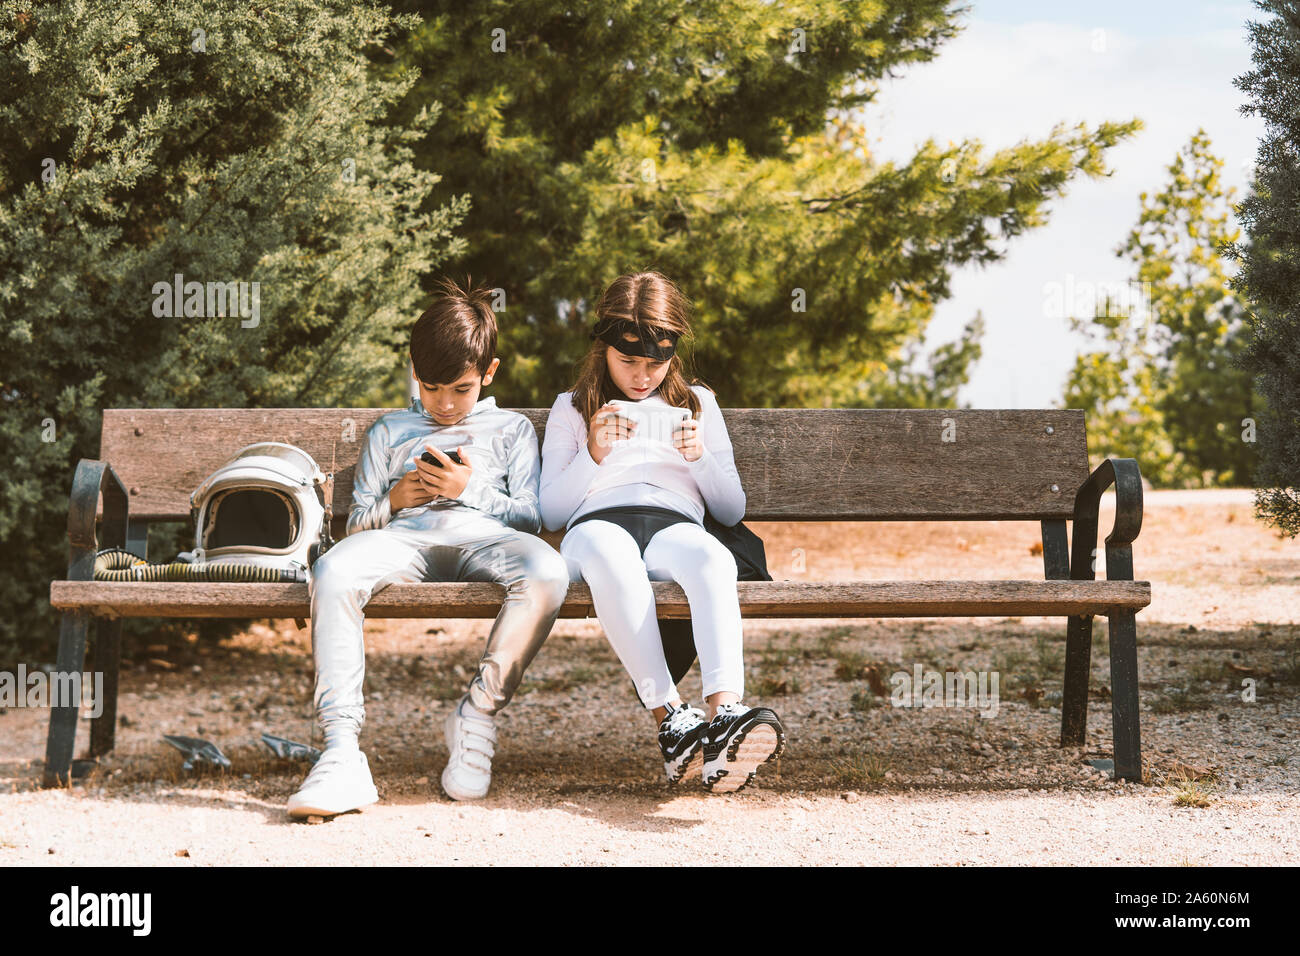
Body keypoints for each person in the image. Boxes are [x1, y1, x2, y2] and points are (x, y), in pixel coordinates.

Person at [287, 278, 570, 817]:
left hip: (487, 539)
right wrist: (396, 498)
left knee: (549, 571)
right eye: (431, 387)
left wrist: (470, 491)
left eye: (460, 389)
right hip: (402, 541)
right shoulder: (389, 430)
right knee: (333, 571)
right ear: (414, 373)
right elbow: (358, 528)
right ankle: (341, 750)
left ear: (488, 373)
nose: (443, 403)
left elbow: (531, 516)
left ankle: (478, 713)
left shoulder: (510, 429)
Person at [539, 271, 785, 793]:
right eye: (628, 360)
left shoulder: (698, 403)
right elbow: (553, 512)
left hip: (675, 525)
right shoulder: (573, 405)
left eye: (656, 362)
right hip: (597, 525)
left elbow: (730, 505)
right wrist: (593, 453)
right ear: (603, 348)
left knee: (713, 559)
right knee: (613, 555)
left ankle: (724, 719)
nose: (642, 376)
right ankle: (672, 721)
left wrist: (699, 459)